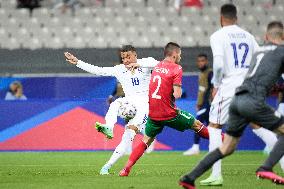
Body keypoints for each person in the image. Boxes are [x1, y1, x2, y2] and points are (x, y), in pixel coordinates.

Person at [179, 20, 284, 188]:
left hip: (237, 100)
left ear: (266, 37)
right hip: (253, 100)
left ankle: (189, 178)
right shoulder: (277, 51)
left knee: (226, 147)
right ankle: (266, 167)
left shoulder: (260, 51)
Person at [118, 42, 212, 177]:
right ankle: (223, 141)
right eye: (179, 54)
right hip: (169, 113)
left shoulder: (157, 66)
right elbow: (177, 94)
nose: (180, 56)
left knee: (146, 140)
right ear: (174, 54)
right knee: (197, 125)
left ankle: (125, 169)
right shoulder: (176, 68)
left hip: (154, 114)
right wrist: (175, 91)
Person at [64, 45, 160, 175]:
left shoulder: (145, 64)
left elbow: (160, 64)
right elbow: (99, 70)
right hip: (129, 101)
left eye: (128, 57)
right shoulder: (119, 69)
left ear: (135, 55)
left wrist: (139, 64)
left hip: (144, 105)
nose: (126, 60)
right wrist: (78, 62)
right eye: (123, 58)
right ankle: (108, 129)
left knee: (129, 136)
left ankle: (112, 164)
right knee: (115, 105)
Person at [183, 54, 213, 156]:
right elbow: (201, 90)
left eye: (203, 61)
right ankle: (215, 147)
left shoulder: (210, 73)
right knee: (211, 127)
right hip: (203, 104)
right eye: (199, 61)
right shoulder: (201, 73)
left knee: (197, 123)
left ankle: (196, 147)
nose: (201, 63)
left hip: (208, 104)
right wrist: (199, 103)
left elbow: (212, 88)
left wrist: (208, 103)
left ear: (206, 61)